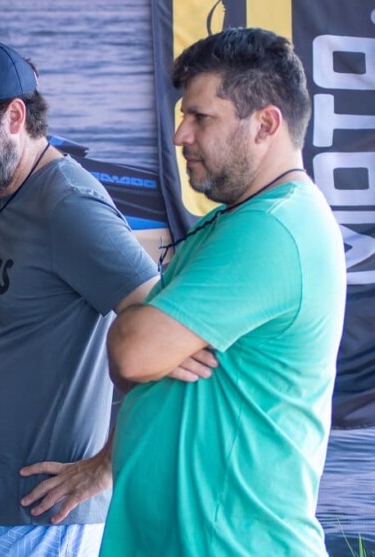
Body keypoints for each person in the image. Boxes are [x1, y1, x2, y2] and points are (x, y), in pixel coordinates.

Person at [0, 38, 165, 556]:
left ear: (15, 116)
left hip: (43, 520)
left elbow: (161, 329)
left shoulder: (69, 204)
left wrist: (107, 466)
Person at [103, 28, 347, 556]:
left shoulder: (273, 229)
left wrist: (144, 333)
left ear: (265, 124)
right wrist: (146, 338)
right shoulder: (232, 222)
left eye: (201, 117)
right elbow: (135, 359)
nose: (179, 135)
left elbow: (131, 351)